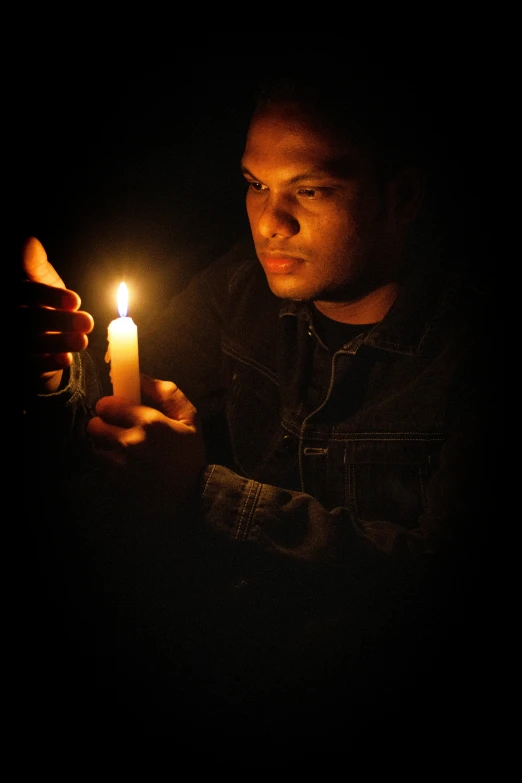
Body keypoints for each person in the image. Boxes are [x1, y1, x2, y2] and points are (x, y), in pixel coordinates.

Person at [20, 67, 492, 741]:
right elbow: (109, 404)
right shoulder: (240, 293)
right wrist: (49, 366)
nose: (270, 222)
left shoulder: (466, 349)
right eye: (255, 185)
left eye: (313, 189)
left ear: (404, 196)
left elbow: (430, 579)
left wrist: (199, 491)